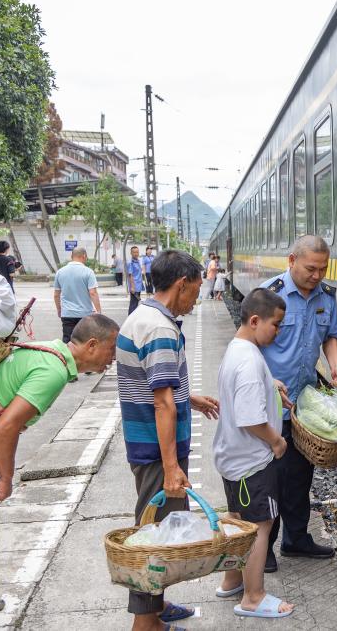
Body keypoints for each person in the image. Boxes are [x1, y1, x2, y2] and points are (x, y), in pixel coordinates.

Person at [0, 314, 120, 631]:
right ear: (92, 345)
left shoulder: (49, 350)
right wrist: (6, 477)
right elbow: (6, 428)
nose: (112, 359)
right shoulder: (54, 371)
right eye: (111, 349)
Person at [116, 250, 220, 631]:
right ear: (181, 284)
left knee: (160, 530)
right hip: (157, 452)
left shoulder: (145, 317)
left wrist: (187, 396)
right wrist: (173, 468)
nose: (198, 295)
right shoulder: (159, 329)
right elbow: (161, 403)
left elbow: (154, 384)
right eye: (196, 288)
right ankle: (146, 623)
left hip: (146, 444)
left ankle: (156, 607)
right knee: (154, 537)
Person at [260, 235, 337, 571]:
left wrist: (336, 363)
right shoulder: (270, 295)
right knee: (270, 481)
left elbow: (331, 336)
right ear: (291, 260)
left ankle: (296, 539)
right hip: (270, 405)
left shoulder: (326, 297)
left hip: (305, 405)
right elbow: (247, 345)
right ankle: (262, 547)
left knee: (299, 476)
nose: (317, 275)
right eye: (311, 268)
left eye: (323, 269)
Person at [214, 289, 295, 619]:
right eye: (276, 325)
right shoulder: (249, 361)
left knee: (237, 522)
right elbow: (250, 418)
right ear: (255, 320)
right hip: (252, 461)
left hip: (233, 458)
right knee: (260, 525)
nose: (278, 331)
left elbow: (244, 389)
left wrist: (270, 384)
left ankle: (232, 579)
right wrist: (276, 441)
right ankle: (253, 596)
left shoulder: (238, 349)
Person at [53, 247, 102, 343]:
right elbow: (93, 293)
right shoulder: (88, 272)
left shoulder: (60, 272)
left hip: (67, 313)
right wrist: (98, 311)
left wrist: (59, 310)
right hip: (85, 314)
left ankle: (67, 357)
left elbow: (56, 295)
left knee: (68, 341)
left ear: (71, 256)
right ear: (84, 256)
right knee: (84, 341)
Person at [127, 246, 144, 315]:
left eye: (137, 252)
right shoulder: (130, 263)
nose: (136, 254)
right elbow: (130, 275)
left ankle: (132, 318)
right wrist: (132, 287)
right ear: (131, 253)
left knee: (136, 303)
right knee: (133, 304)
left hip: (138, 285)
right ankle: (130, 318)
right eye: (134, 252)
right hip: (134, 286)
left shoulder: (138, 261)